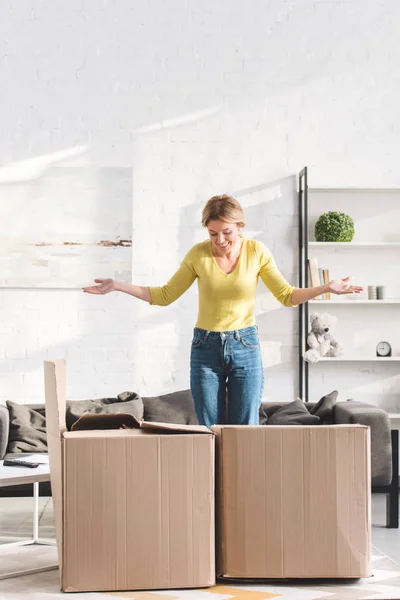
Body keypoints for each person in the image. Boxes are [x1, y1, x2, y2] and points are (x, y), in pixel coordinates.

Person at [83, 194, 363, 427]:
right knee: (209, 429)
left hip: (245, 345)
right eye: (212, 233)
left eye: (227, 232)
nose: (220, 240)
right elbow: (164, 295)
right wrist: (119, 285)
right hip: (206, 348)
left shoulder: (257, 252)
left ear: (240, 226)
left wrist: (326, 287)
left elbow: (287, 296)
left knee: (245, 428)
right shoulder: (198, 254)